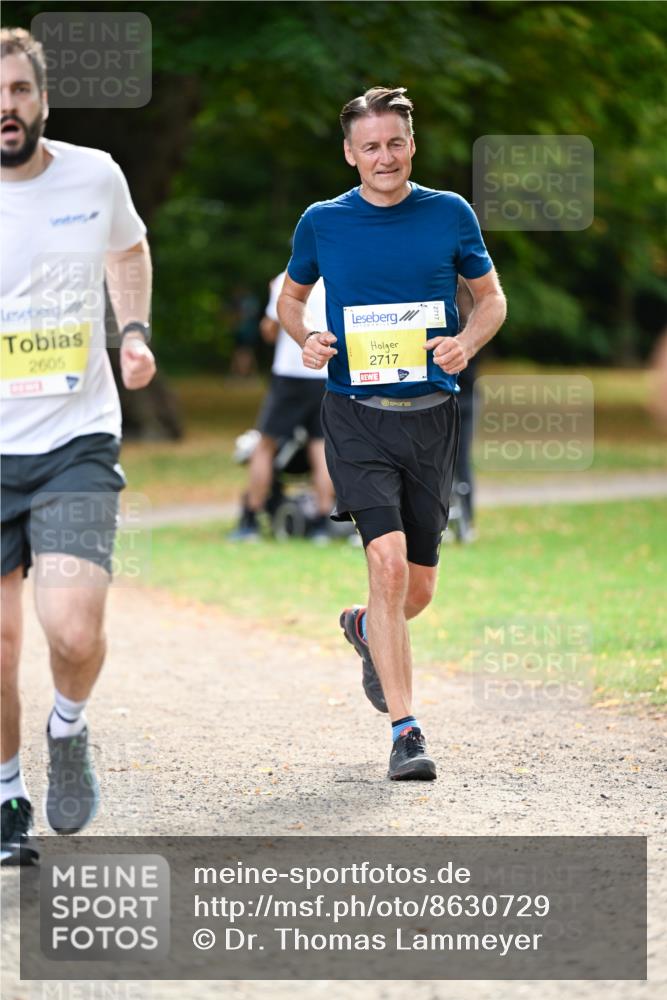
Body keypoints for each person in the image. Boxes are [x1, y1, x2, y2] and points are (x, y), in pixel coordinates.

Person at [278, 87, 506, 780]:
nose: (384, 156)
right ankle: (406, 732)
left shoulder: (449, 214)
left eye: (395, 143)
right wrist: (307, 339)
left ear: (413, 145)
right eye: (369, 146)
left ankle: (362, 629)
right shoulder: (322, 222)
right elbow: (291, 299)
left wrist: (466, 341)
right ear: (350, 154)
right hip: (355, 417)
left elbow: (491, 298)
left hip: (431, 420)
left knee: (417, 590)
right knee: (384, 561)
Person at [0, 28, 156, 864]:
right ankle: (5, 797)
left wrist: (130, 330)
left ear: (42, 98)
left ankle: (68, 728)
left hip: (73, 438)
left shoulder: (94, 174)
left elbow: (127, 248)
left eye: (19, 91)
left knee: (70, 628)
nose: (6, 107)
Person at [230, 272, 334, 542]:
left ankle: (250, 520)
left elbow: (270, 330)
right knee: (320, 446)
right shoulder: (339, 274)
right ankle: (322, 523)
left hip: (290, 372)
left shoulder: (287, 278)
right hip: (325, 374)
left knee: (265, 445)